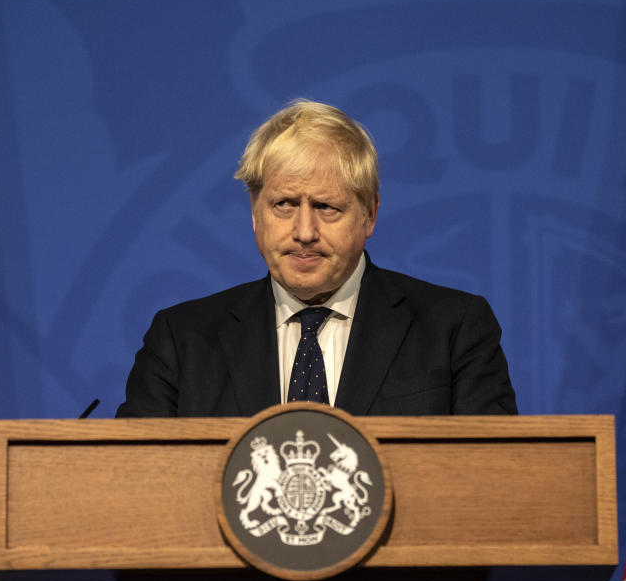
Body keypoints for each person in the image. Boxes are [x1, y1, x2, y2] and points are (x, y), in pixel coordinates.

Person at [116, 100, 517, 418]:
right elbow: (131, 484)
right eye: (284, 204)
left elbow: (495, 481)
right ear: (256, 215)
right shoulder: (182, 341)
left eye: (326, 207)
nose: (304, 231)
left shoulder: (454, 330)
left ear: (370, 214)